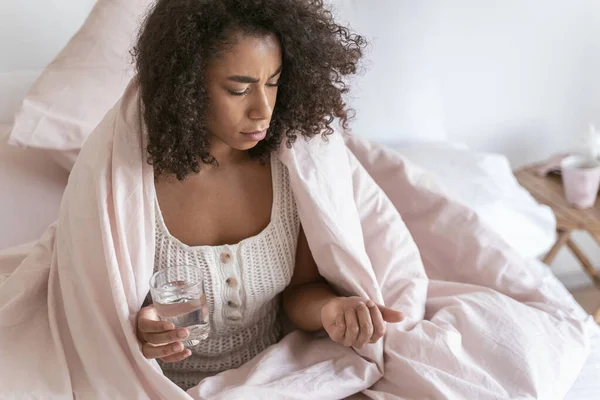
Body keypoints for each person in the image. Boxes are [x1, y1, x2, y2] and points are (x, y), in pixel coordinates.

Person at [133, 0, 403, 390]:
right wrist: (139, 328)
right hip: (156, 386)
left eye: (273, 83)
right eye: (238, 89)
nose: (263, 110)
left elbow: (300, 291)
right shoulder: (133, 186)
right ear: (185, 85)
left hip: (271, 380)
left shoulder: (291, 174)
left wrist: (332, 310)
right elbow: (98, 298)